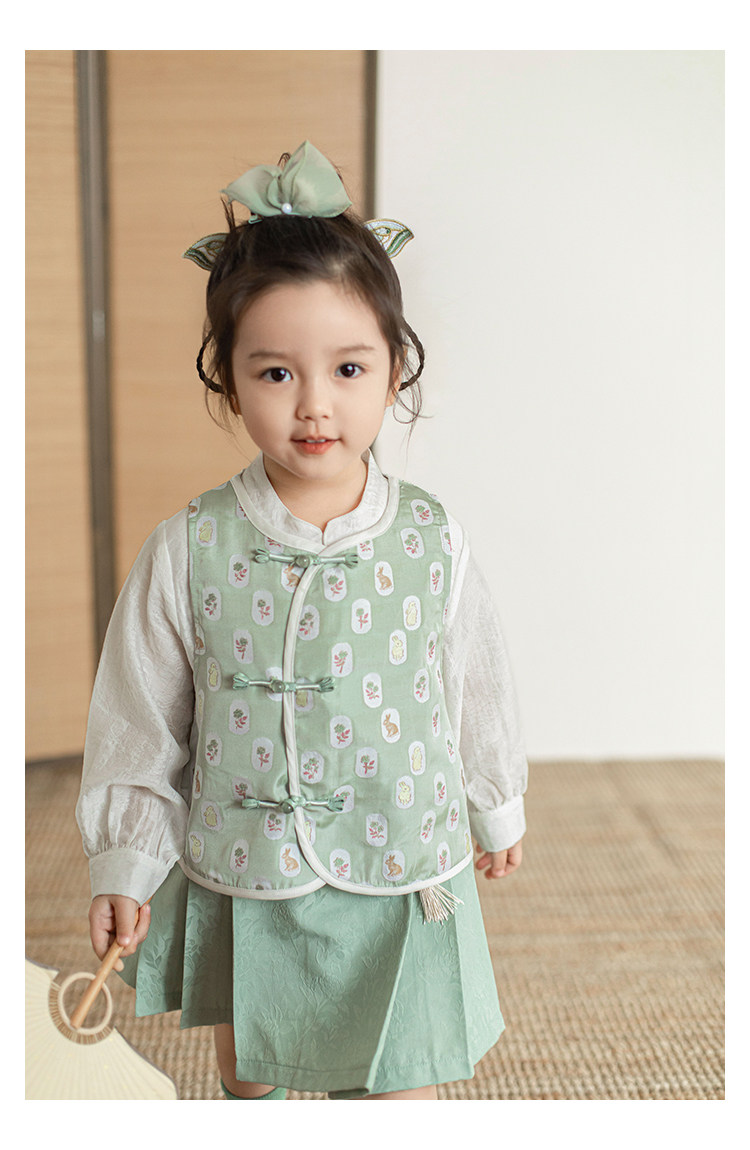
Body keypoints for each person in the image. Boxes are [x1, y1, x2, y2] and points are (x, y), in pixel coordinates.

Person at [76, 141, 528, 1101]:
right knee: (255, 1083)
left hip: (403, 859)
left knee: (401, 1089)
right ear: (228, 379)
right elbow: (138, 717)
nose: (315, 406)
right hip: (252, 870)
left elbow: (473, 675)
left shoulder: (430, 537)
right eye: (275, 373)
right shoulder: (188, 545)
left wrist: (493, 799)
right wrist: (126, 858)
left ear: (396, 369)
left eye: (349, 368)